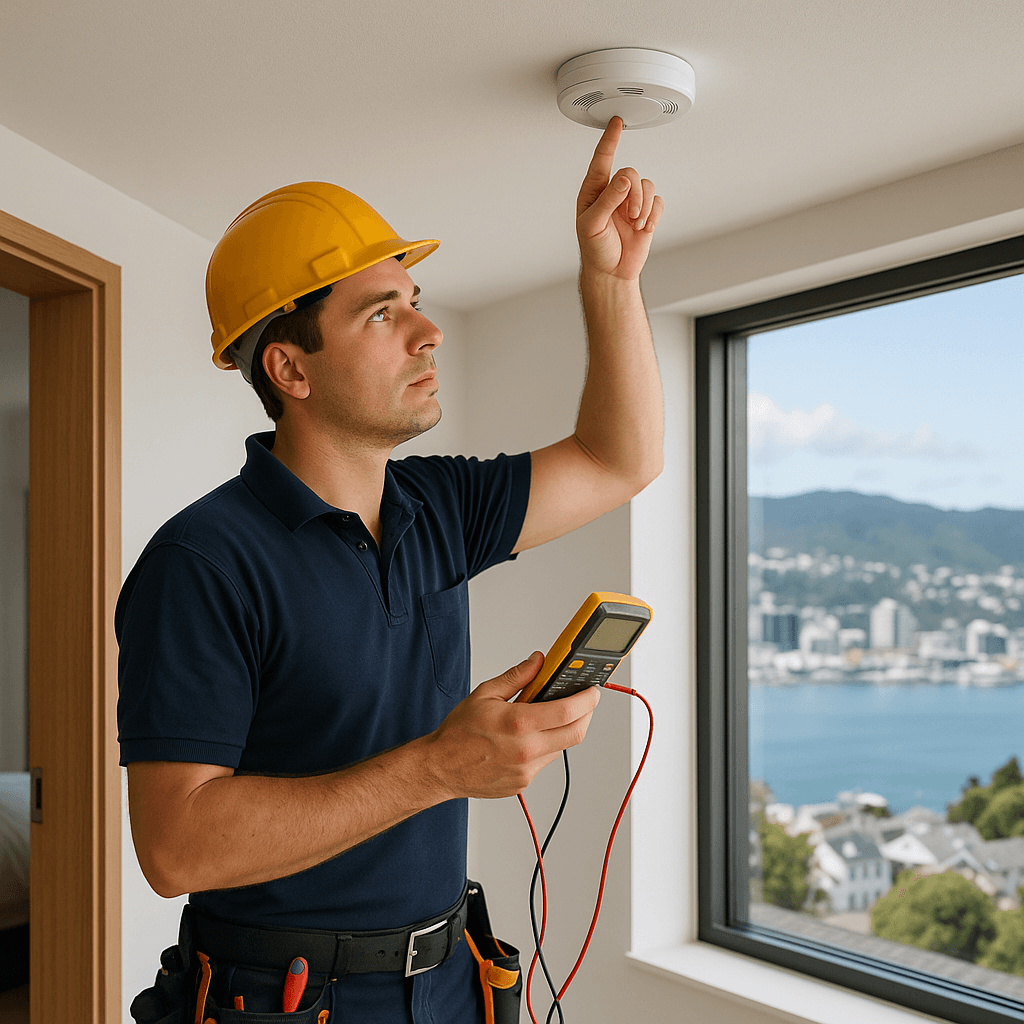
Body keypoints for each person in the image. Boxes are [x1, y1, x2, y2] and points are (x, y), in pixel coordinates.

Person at [117, 116, 664, 1024]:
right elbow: (175, 847)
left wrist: (611, 282)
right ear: (290, 367)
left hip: (451, 975)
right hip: (283, 1000)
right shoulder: (201, 562)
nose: (429, 331)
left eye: (414, 298)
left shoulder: (435, 506)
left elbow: (620, 460)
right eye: (383, 313)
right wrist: (443, 767)